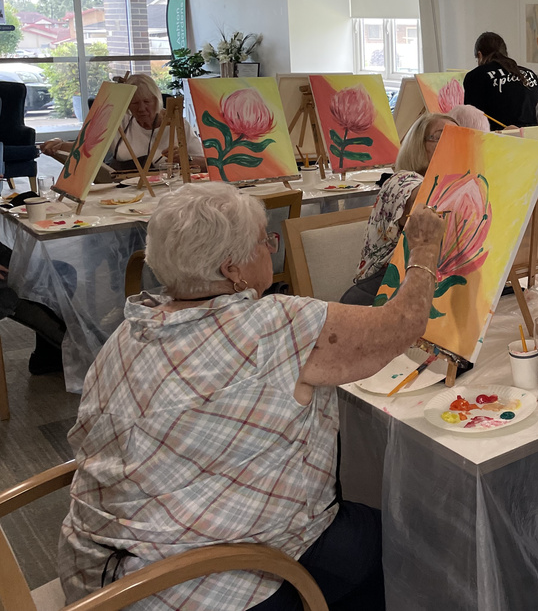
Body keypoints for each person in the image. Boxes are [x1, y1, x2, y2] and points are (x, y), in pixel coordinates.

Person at [58, 182, 446, 611]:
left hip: (100, 577)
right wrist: (425, 248)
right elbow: (401, 325)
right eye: (265, 241)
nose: (271, 250)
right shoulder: (275, 325)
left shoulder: (130, 328)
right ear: (232, 270)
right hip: (202, 585)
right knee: (406, 541)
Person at [341, 112, 453, 305]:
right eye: (443, 136)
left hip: (420, 292)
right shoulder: (400, 181)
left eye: (460, 137)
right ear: (418, 145)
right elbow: (427, 204)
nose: (454, 143)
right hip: (378, 296)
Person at [44, 74, 205, 174]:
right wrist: (58, 145)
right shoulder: (120, 122)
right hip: (123, 191)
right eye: (134, 103)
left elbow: (206, 163)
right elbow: (87, 146)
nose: (141, 108)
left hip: (167, 191)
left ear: (156, 99)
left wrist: (187, 158)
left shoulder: (176, 123)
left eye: (146, 102)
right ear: (127, 104)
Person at [461, 32, 538, 130]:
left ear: (480, 55)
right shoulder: (530, 74)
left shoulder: (476, 76)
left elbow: (471, 120)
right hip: (535, 138)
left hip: (499, 140)